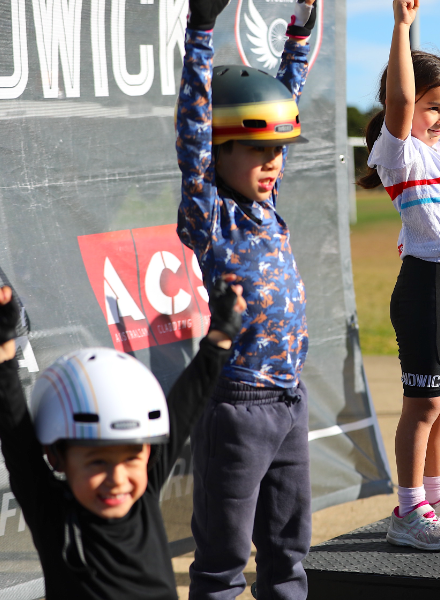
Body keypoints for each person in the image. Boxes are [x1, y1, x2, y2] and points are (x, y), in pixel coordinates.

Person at [0, 279, 244, 600]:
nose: (117, 479)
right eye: (97, 461)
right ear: (56, 457)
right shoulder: (51, 511)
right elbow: (17, 437)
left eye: (131, 459)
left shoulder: (145, 489)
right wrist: (1, 353)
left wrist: (222, 334)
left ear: (148, 456)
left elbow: (185, 404)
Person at [175, 0, 317, 596]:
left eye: (279, 151)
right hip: (237, 405)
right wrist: (202, 34)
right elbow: (192, 132)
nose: (271, 163)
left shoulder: (267, 205)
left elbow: (283, 100)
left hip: (289, 400)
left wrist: (300, 36)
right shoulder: (212, 214)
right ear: (220, 150)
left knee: (288, 550)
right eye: (257, 151)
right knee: (223, 557)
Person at [357, 0, 440, 551]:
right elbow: (401, 98)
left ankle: (439, 496)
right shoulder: (400, 153)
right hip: (429, 286)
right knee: (424, 405)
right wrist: (401, 27)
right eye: (430, 107)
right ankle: (409, 508)